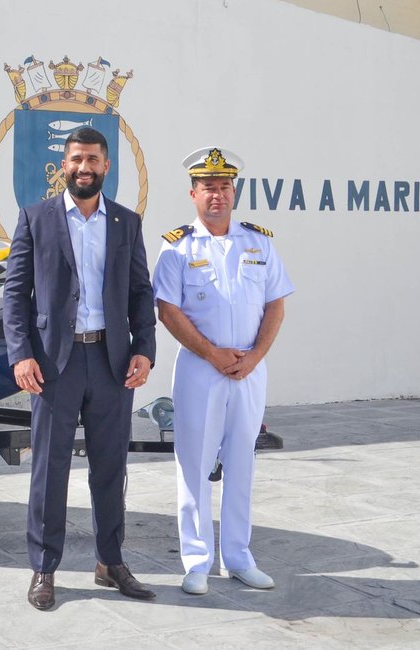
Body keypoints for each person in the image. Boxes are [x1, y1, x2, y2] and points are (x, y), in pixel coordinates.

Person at [3, 126, 157, 610]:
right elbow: (14, 294)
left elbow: (139, 292)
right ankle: (44, 569)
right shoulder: (36, 219)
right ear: (63, 165)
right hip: (54, 363)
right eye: (76, 159)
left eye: (92, 159)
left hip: (112, 362)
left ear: (106, 166)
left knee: (111, 469)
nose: (84, 167)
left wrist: (144, 349)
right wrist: (20, 353)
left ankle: (110, 563)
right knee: (50, 470)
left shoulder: (126, 223)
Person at [152, 147, 294, 595]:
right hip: (200, 370)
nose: (217, 194)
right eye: (208, 187)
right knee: (193, 465)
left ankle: (239, 557)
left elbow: (276, 305)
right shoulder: (177, 246)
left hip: (250, 372)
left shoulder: (259, 243)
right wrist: (213, 353)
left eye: (224, 186)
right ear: (193, 193)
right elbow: (167, 309)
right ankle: (197, 562)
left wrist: (253, 358)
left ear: (234, 192)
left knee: (241, 464)